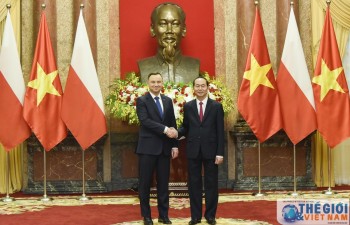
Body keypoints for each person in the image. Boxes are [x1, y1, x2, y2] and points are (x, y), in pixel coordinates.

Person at [177, 76, 224, 225]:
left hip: (211, 151)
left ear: (207, 87)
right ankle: (195, 216)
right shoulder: (189, 106)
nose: (200, 88)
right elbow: (186, 127)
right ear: (193, 88)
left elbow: (220, 132)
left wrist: (220, 153)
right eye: (197, 86)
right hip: (193, 151)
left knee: (211, 184)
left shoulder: (216, 106)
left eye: (203, 86)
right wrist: (176, 133)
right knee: (194, 184)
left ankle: (210, 216)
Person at [135, 72, 179, 225]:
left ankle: (163, 215)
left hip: (165, 149)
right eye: (153, 82)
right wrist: (165, 130)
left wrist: (175, 144)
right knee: (145, 184)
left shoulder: (167, 100)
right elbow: (145, 121)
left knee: (163, 184)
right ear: (148, 83)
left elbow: (172, 122)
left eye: (158, 82)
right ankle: (146, 216)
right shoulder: (142, 100)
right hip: (147, 149)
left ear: (162, 83)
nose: (156, 84)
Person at [138, 2, 200, 84]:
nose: (169, 30)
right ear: (153, 29)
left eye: (175, 24)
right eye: (163, 24)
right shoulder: (143, 66)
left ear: (184, 29)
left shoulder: (194, 65)